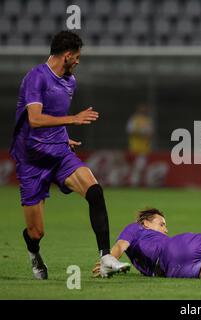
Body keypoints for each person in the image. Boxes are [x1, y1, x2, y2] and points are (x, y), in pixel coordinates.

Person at [9, 30, 130, 279]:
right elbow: (34, 119)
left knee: (94, 191)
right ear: (66, 55)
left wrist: (64, 136)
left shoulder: (69, 81)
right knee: (36, 232)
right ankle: (34, 252)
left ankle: (105, 256)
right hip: (32, 161)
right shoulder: (36, 77)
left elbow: (54, 117)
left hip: (59, 154)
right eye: (76, 57)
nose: (78, 61)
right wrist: (73, 119)